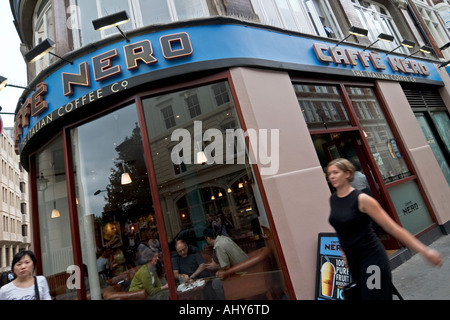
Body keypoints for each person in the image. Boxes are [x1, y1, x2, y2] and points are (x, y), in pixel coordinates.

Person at [326, 158, 443, 300]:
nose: (331, 176)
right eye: (329, 173)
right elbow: (341, 228)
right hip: (354, 262)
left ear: (347, 173)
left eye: (335, 172)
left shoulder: (362, 199)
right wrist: (344, 253)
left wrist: (425, 251)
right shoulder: (333, 200)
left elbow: (393, 228)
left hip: (372, 259)